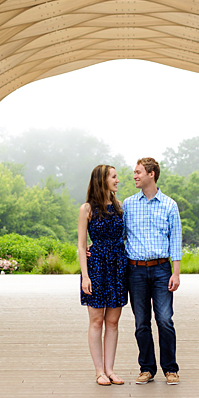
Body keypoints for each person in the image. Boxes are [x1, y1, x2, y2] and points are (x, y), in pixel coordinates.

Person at [123, 157, 182, 385]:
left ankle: (170, 369)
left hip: (161, 269)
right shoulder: (128, 204)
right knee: (141, 322)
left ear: (151, 174)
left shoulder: (169, 205)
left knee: (165, 319)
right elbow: (120, 236)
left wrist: (175, 273)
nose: (135, 176)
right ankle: (147, 368)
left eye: (138, 172)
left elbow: (175, 240)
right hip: (135, 271)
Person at [77, 165, 128, 386]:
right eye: (114, 177)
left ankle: (110, 369)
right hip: (96, 266)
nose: (118, 180)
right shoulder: (86, 208)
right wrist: (85, 276)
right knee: (96, 321)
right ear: (102, 180)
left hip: (117, 265)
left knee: (113, 321)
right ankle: (99, 371)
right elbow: (80, 246)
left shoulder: (120, 207)